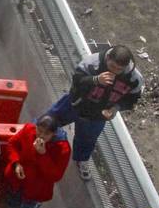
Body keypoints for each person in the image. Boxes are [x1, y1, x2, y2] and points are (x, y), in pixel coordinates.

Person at [43, 41, 144, 179]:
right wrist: (95, 80)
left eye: (119, 69)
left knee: (87, 139)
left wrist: (115, 108)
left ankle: (81, 159)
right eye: (112, 66)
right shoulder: (92, 63)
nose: (114, 71)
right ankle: (36, 137)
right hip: (75, 104)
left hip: (97, 115)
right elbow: (77, 82)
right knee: (51, 120)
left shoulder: (134, 79)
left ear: (126, 67)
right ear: (108, 58)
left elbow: (132, 99)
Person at [2, 114, 69, 208]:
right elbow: (12, 144)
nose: (41, 135)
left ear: (54, 134)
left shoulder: (62, 149)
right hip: (15, 181)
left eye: (46, 133)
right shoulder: (29, 129)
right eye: (39, 130)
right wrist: (16, 163)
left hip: (34, 192)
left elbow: (56, 175)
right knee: (8, 206)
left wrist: (43, 155)